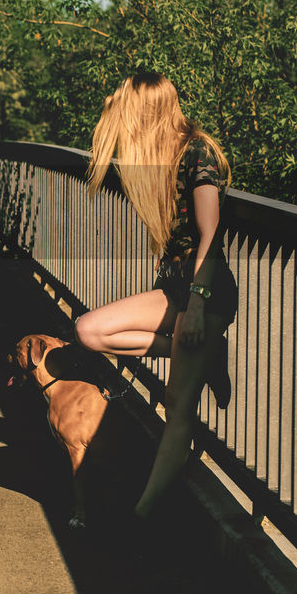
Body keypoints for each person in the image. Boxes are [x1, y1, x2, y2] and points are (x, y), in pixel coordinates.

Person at [72, 71, 237, 518]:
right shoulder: (161, 156)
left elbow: (211, 232)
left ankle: (142, 515)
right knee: (89, 330)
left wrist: (199, 304)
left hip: (206, 287)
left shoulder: (197, 149)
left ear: (149, 108)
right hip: (176, 286)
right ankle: (207, 357)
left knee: (175, 406)